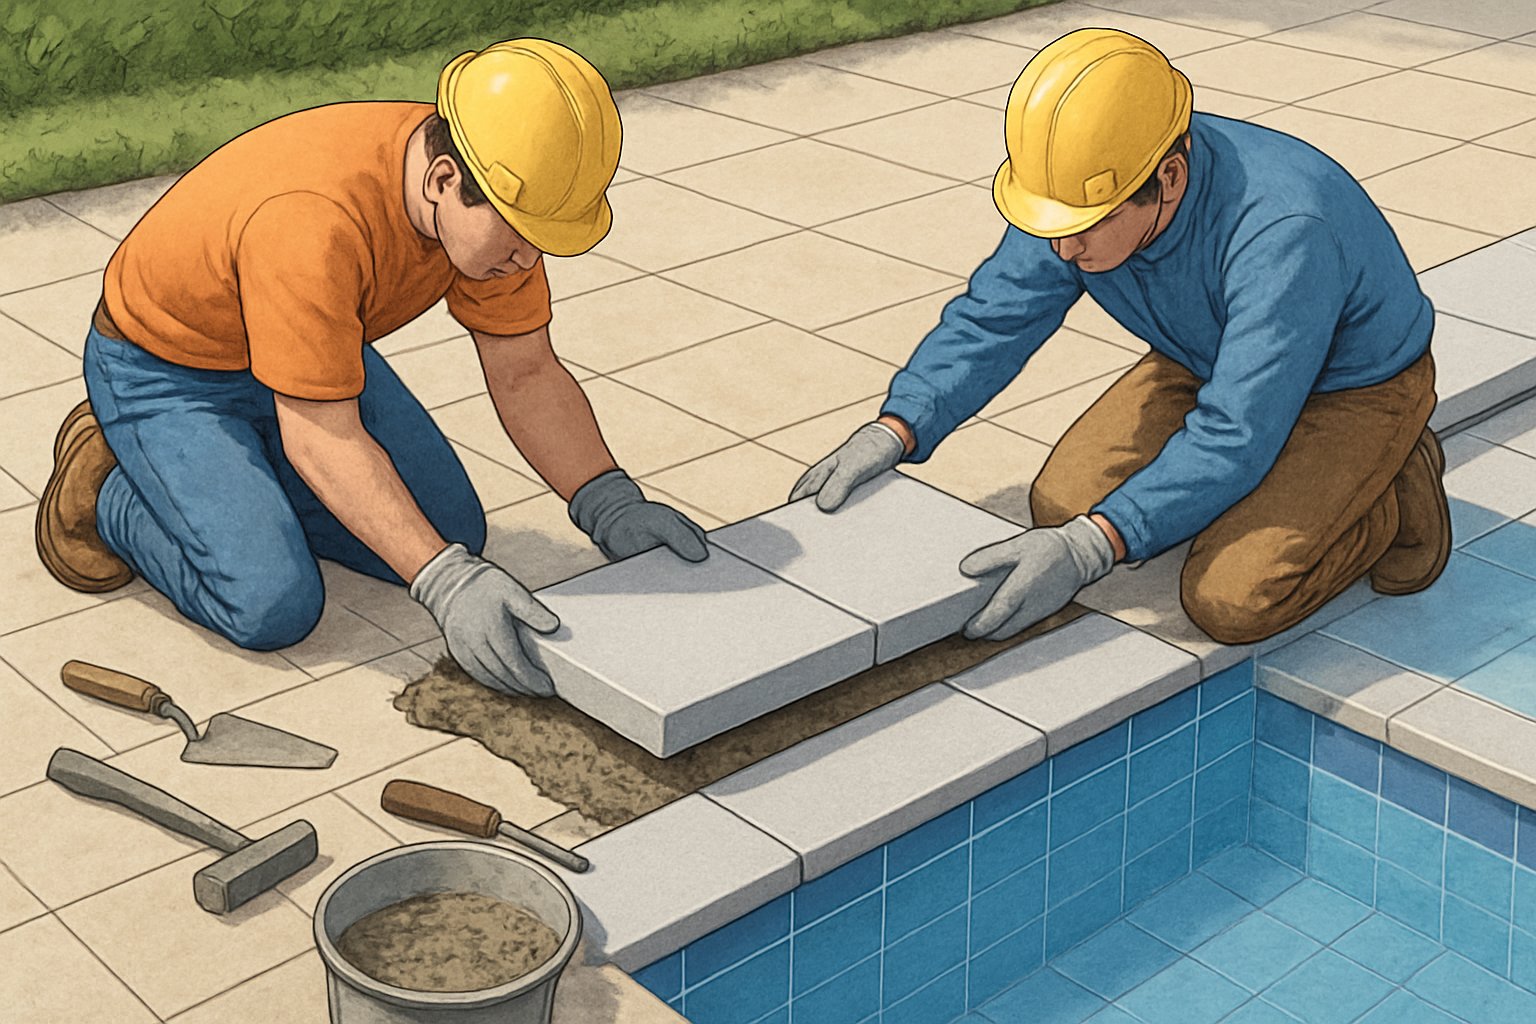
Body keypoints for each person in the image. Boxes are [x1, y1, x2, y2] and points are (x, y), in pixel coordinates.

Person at [35, 39, 709, 697]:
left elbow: (525, 372)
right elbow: (321, 433)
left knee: (451, 534)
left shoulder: (492, 215)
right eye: (521, 237)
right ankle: (111, 492)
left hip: (304, 352)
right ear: (446, 180)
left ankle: (235, 478)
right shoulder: (312, 222)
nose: (528, 262)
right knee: (272, 604)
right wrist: (443, 583)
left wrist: (608, 501)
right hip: (167, 367)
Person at [791, 28, 1449, 646]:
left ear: (1168, 176)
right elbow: (998, 313)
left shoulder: (1282, 231)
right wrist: (898, 426)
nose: (1063, 246)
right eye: (1054, 223)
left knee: (1232, 600)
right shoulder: (1074, 193)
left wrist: (1095, 545)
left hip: (1354, 385)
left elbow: (1238, 431)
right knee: (1058, 505)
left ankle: (1390, 491)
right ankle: (1316, 488)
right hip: (1208, 355)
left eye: (1086, 225)